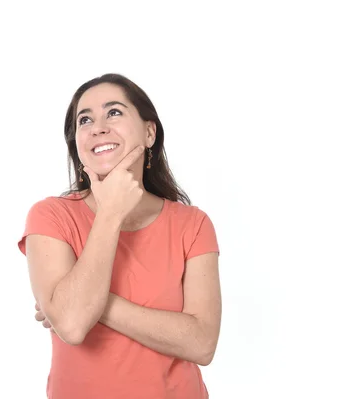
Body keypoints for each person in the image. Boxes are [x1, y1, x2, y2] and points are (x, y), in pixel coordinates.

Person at [17, 73, 221, 399]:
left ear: (149, 132)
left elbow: (202, 343)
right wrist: (111, 212)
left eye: (114, 112)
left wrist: (87, 304)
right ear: (77, 143)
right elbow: (71, 324)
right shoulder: (50, 215)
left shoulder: (192, 224)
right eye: (85, 119)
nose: (98, 126)